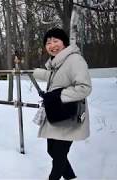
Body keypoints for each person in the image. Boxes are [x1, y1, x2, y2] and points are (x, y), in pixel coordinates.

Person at [33, 28, 92, 180]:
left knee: (58, 156)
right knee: (52, 151)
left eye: (55, 41)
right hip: (57, 114)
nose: (52, 45)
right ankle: (71, 177)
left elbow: (84, 88)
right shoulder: (58, 62)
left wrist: (57, 96)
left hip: (68, 114)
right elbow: (59, 78)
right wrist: (38, 73)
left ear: (64, 43)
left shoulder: (75, 60)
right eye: (48, 42)